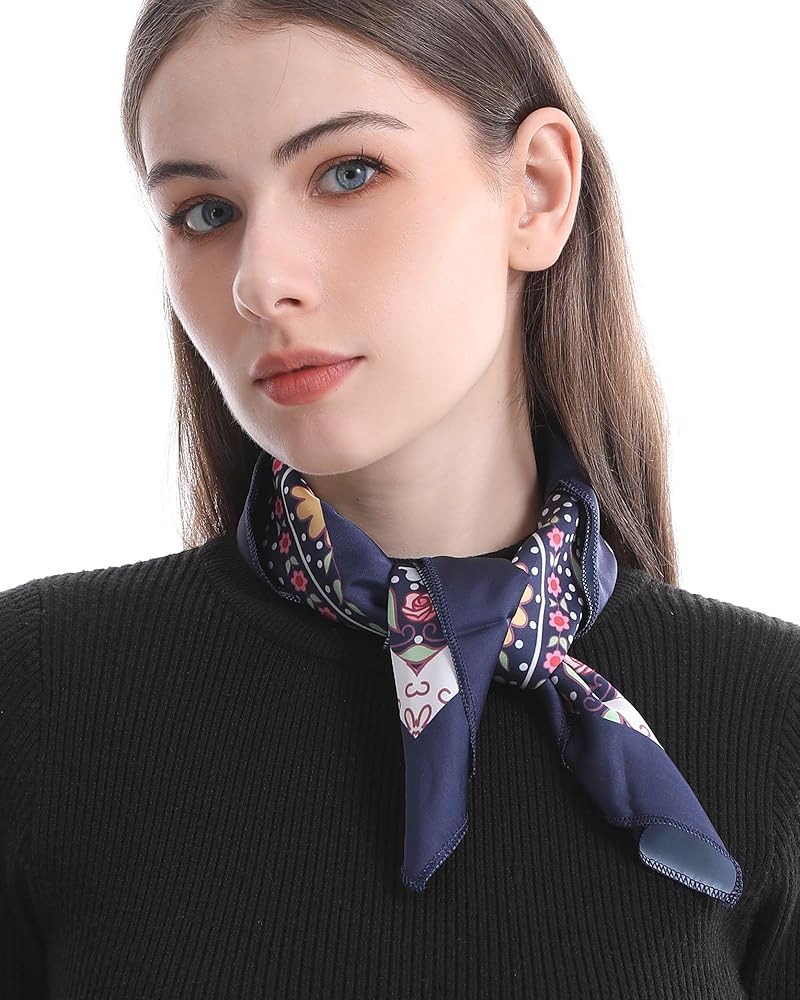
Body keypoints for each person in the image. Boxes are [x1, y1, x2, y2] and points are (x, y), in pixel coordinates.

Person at [1, 2, 797, 997]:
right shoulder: (36, 695)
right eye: (205, 212)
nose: (260, 282)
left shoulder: (773, 719)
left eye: (347, 172)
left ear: (536, 191)